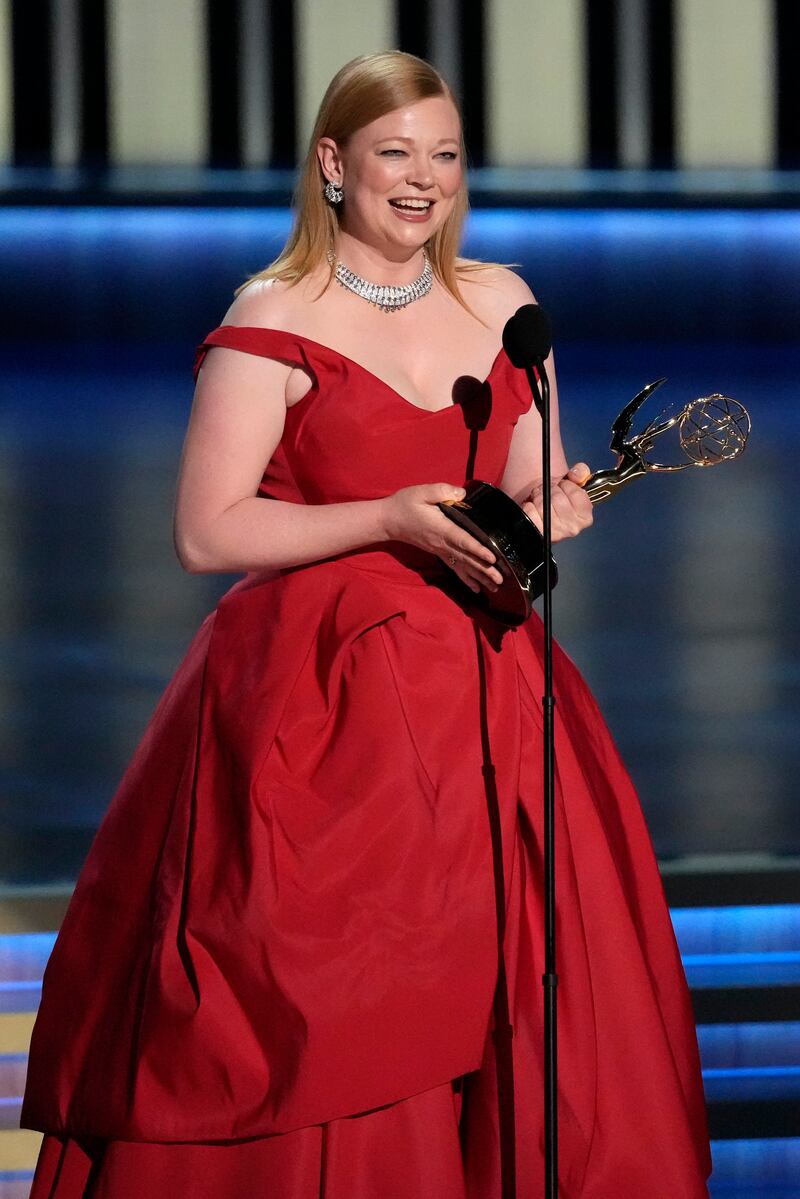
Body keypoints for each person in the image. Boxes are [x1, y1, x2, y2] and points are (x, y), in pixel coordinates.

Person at [22, 51, 711, 1199]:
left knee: (516, 979)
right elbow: (210, 532)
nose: (424, 180)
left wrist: (558, 503)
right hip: (319, 704)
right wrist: (386, 515)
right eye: (397, 153)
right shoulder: (271, 316)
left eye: (444, 156)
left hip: (488, 686)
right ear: (334, 166)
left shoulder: (501, 301)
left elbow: (530, 481)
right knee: (339, 983)